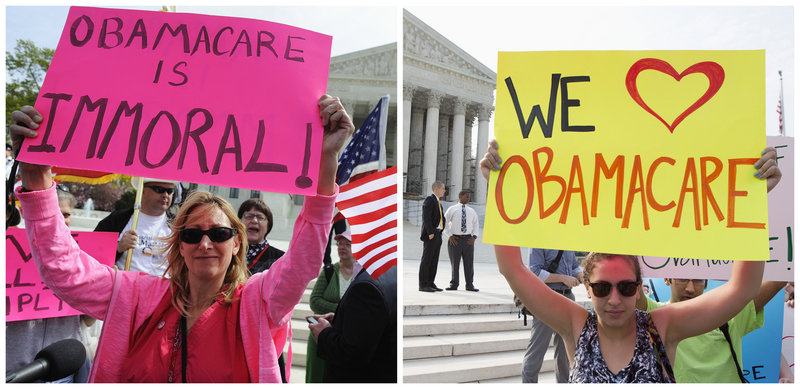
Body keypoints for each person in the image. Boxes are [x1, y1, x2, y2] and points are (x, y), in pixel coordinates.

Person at [9, 94, 354, 383]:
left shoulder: (259, 301)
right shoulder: (137, 295)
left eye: (218, 233)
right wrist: (37, 181)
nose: (205, 244)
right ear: (180, 246)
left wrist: (326, 162)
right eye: (192, 234)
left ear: (237, 243)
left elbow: (303, 261)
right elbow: (64, 271)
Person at [480, 140, 781, 383]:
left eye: (625, 287)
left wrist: (755, 200)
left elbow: (743, 288)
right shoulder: (575, 325)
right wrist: (500, 187)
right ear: (587, 287)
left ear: (639, 287)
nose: (614, 300)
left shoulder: (661, 326)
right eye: (602, 288)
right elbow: (513, 270)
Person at [6, 187, 92, 383]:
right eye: (53, 214)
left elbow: (86, 321)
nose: (60, 220)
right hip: (17, 369)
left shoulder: (84, 256)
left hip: (64, 368)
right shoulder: (10, 249)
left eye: (66, 214)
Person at [636, 278, 787, 382]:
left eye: (698, 280)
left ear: (706, 283)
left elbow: (780, 276)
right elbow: (629, 283)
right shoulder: (654, 315)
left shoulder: (729, 314)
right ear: (667, 279)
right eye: (682, 279)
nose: (690, 288)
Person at [308, 265, 397, 383]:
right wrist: (343, 319)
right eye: (339, 244)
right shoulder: (391, 270)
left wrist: (324, 333)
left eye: (349, 245)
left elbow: (352, 353)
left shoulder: (366, 285)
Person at [94, 176, 179, 275]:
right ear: (142, 191)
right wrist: (119, 247)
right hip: (124, 286)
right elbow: (93, 253)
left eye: (170, 191)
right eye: (159, 190)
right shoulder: (117, 219)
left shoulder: (179, 225)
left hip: (163, 288)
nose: (165, 195)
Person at [522, 249, 582, 383]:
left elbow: (573, 266)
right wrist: (562, 277)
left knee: (565, 351)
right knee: (538, 348)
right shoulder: (538, 241)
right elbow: (535, 273)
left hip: (568, 297)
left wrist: (581, 275)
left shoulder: (565, 240)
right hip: (546, 298)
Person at [305, 228, 356, 383]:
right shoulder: (329, 271)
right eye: (339, 243)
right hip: (319, 338)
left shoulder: (363, 275)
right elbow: (315, 301)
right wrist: (343, 310)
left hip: (347, 338)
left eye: (347, 244)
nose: (342, 247)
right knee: (317, 377)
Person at [443, 190, 480, 291]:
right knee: (455, 263)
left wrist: (474, 237)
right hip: (455, 240)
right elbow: (444, 222)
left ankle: (469, 285)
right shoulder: (452, 209)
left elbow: (476, 224)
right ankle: (454, 284)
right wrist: (449, 235)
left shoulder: (472, 211)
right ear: (460, 196)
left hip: (468, 240)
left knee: (469, 263)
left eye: (469, 197)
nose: (468, 198)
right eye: (466, 196)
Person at [237, 198, 284, 275]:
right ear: (239, 221)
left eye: (260, 217)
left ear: (268, 225)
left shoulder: (280, 259)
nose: (254, 221)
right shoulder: (228, 251)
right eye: (249, 216)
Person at [419, 181, 446, 292]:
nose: (444, 191)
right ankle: (423, 284)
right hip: (432, 234)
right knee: (427, 260)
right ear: (436, 189)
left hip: (438, 234)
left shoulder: (438, 202)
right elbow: (426, 217)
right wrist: (430, 232)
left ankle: (430, 282)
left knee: (434, 260)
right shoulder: (430, 200)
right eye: (443, 188)